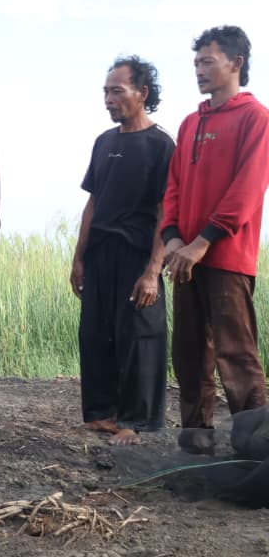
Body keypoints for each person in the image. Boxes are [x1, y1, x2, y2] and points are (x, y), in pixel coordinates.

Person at [161, 25, 269, 455]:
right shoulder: (190, 123)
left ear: (235, 64)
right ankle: (197, 437)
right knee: (188, 350)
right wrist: (171, 238)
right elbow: (173, 187)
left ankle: (256, 445)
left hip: (226, 256)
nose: (199, 71)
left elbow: (246, 190)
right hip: (184, 256)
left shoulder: (256, 118)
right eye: (196, 64)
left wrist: (202, 241)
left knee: (235, 350)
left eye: (208, 62)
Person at [70, 57, 174, 446]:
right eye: (105, 92)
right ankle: (102, 413)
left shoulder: (161, 145)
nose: (108, 99)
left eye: (117, 91)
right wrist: (79, 257)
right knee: (95, 332)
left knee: (139, 336)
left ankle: (137, 421)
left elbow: (167, 212)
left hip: (138, 254)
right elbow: (93, 202)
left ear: (142, 93)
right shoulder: (104, 142)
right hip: (100, 253)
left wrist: (153, 270)